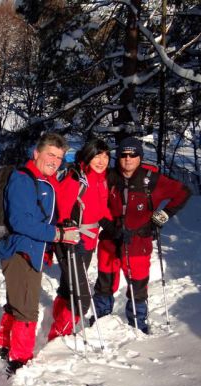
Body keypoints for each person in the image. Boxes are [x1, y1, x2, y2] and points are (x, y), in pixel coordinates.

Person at [0, 132, 79, 375]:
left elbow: (43, 216)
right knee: (27, 309)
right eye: (50, 154)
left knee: (18, 301)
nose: (54, 160)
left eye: (59, 157)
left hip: (32, 251)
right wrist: (58, 235)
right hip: (22, 251)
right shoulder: (23, 179)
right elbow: (21, 221)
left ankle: (2, 343)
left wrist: (59, 229)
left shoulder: (44, 180)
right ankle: (19, 360)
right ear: (36, 153)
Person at [92, 136, 191, 333]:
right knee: (104, 284)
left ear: (140, 156)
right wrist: (110, 227)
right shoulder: (108, 177)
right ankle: (99, 324)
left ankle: (138, 324)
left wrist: (160, 219)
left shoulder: (151, 179)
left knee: (137, 286)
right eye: (123, 155)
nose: (128, 159)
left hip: (139, 241)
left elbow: (183, 193)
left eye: (133, 154)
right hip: (111, 242)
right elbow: (94, 201)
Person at [48, 138, 114, 341]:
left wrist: (115, 228)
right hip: (72, 241)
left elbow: (101, 209)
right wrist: (68, 228)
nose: (102, 161)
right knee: (82, 296)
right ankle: (60, 335)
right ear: (88, 155)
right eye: (97, 155)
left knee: (69, 285)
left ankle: (57, 325)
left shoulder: (101, 179)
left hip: (89, 240)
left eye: (105, 156)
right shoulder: (75, 178)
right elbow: (62, 212)